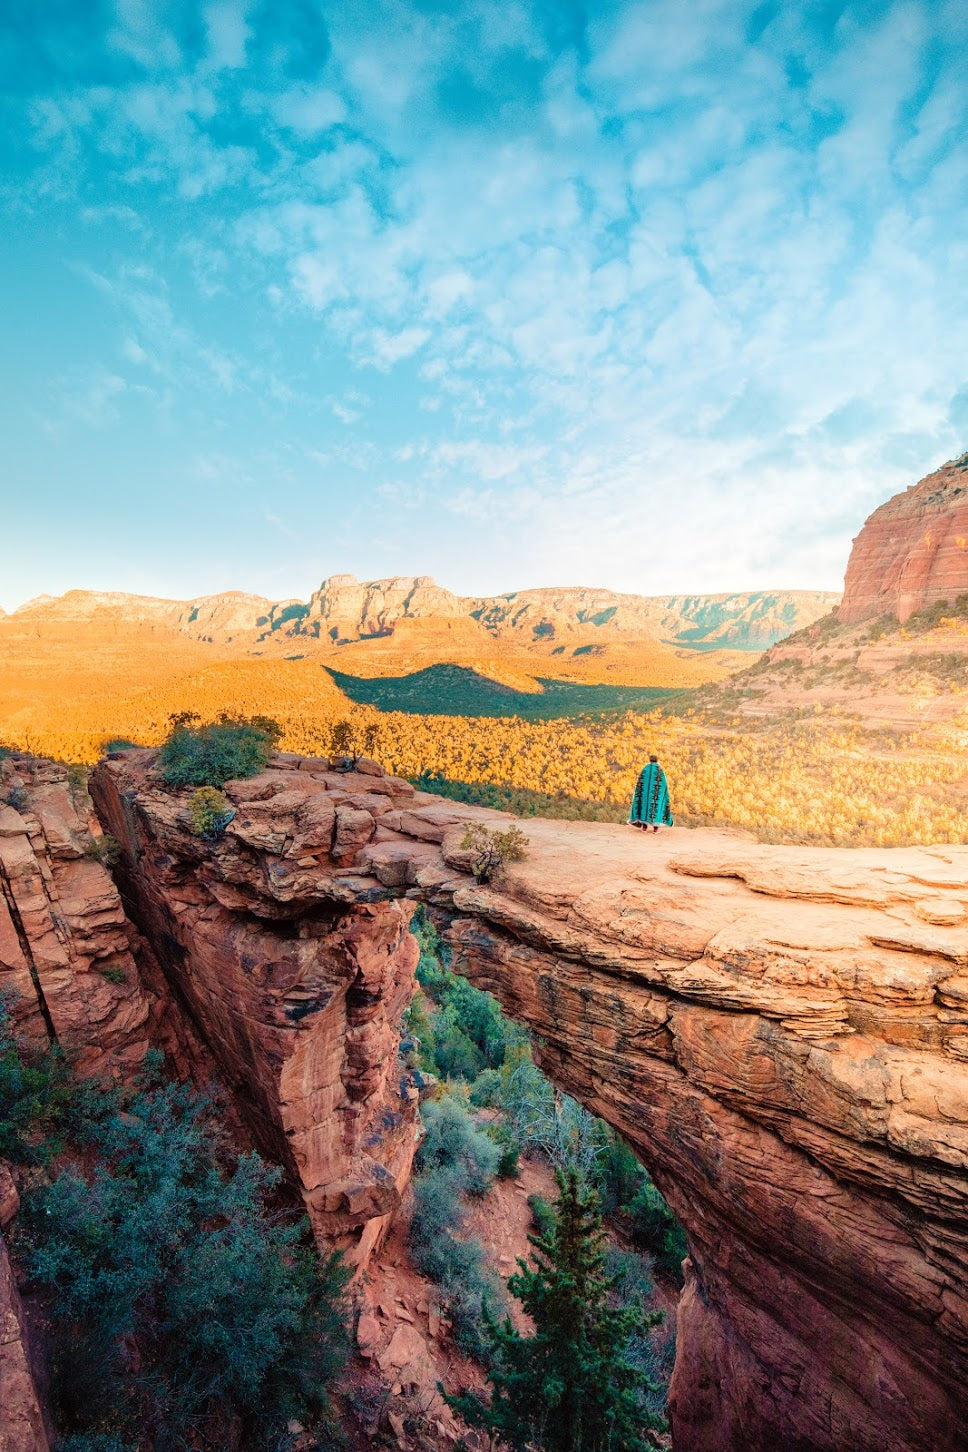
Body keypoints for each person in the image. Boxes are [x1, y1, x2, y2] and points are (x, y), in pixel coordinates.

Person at [628, 754, 673, 832]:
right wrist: (663, 794)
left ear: (650, 760)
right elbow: (663, 784)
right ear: (657, 760)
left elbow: (640, 782)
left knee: (644, 809)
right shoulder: (659, 770)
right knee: (655, 808)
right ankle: (655, 830)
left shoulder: (645, 769)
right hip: (656, 794)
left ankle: (644, 828)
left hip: (644, 796)